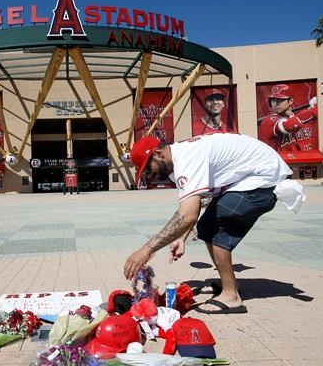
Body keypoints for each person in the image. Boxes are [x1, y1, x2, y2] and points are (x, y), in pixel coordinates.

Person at [124, 132, 293, 314]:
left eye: (148, 168)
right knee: (206, 226)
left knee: (218, 223)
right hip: (249, 179)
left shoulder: (187, 158)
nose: (151, 175)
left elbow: (188, 214)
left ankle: (231, 296)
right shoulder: (180, 160)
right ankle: (229, 286)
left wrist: (146, 249)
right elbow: (196, 205)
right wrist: (182, 237)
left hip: (265, 180)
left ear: (157, 154)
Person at [257, 84, 317, 152]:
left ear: (290, 101)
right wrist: (314, 109)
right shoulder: (268, 121)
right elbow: (292, 125)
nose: (276, 103)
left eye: (280, 100)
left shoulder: (302, 117)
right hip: (280, 161)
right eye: (273, 100)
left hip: (306, 160)